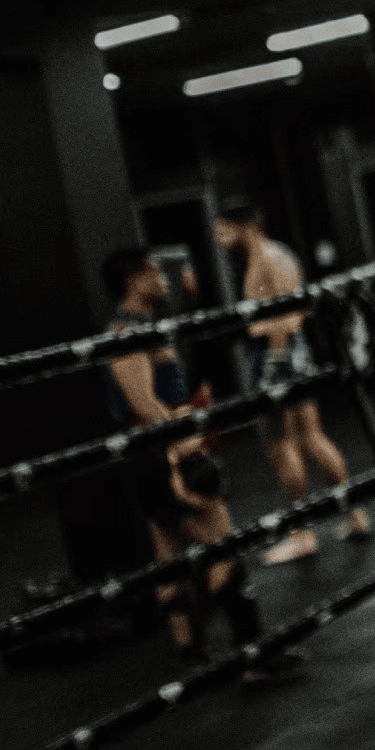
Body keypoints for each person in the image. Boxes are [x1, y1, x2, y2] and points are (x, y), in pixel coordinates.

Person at [99, 248, 296, 681]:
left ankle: (189, 653)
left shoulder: (144, 328)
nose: (165, 280)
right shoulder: (125, 333)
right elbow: (144, 407)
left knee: (169, 553)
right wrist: (181, 447)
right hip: (163, 456)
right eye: (155, 273)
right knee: (221, 543)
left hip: (157, 455)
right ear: (134, 280)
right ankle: (253, 656)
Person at [211, 203, 364, 564]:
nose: (219, 239)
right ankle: (355, 514)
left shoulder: (265, 258)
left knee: (280, 445)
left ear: (244, 225)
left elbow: (282, 315)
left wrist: (274, 365)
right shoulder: (276, 253)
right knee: (311, 437)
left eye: (223, 230)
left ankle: (301, 532)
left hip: (277, 357)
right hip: (294, 355)